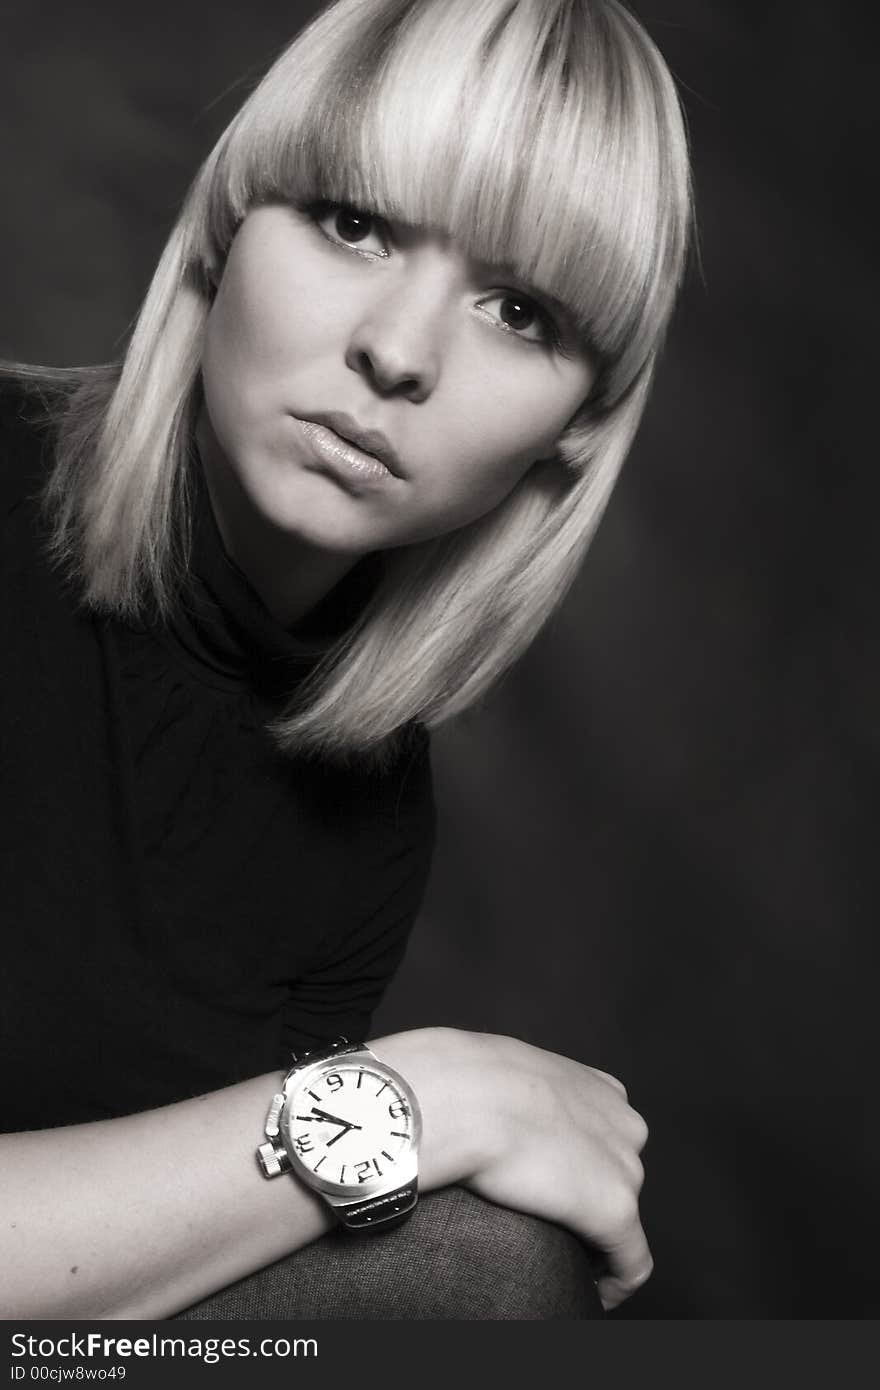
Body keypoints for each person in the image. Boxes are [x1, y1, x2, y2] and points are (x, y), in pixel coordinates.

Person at [0, 0, 691, 1319]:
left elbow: (183, 1279)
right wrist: (415, 1098)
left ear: (575, 433)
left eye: (517, 308)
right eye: (354, 222)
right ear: (226, 226)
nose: (397, 350)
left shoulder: (366, 815)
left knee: (499, 1266)